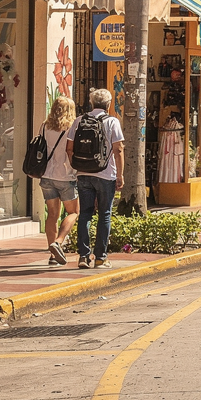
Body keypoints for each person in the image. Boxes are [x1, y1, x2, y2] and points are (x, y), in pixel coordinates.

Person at [75, 89, 125, 270]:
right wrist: (120, 175)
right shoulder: (112, 122)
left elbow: (69, 147)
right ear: (109, 104)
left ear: (91, 103)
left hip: (83, 173)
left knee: (85, 213)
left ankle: (83, 256)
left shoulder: (79, 120)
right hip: (105, 174)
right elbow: (118, 149)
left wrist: (80, 166)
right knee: (104, 214)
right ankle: (100, 258)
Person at [38, 95, 79, 266]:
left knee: (52, 215)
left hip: (47, 175)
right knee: (74, 212)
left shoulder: (44, 126)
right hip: (66, 176)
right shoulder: (72, 128)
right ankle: (58, 242)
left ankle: (52, 255)